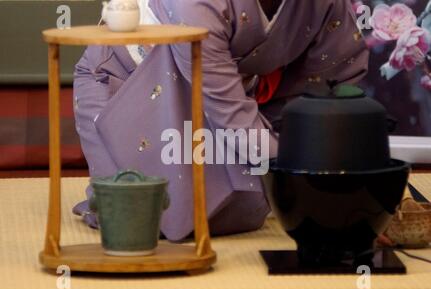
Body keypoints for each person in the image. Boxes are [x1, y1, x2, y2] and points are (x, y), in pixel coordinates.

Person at [73, 0, 369, 241]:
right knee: (132, 219)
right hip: (127, 80)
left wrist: (348, 173)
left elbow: (338, 76)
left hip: (223, 98)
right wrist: (310, 174)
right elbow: (233, 119)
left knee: (246, 209)